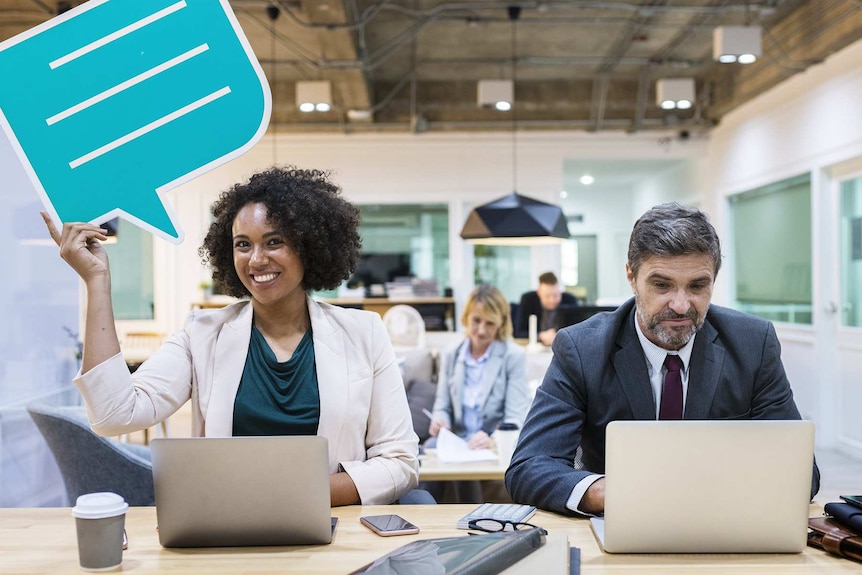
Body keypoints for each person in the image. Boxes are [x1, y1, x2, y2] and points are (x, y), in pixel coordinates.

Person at [42, 166, 419, 506]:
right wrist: (97, 280)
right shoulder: (202, 334)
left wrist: (297, 494)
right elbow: (113, 414)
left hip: (331, 526)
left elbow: (400, 462)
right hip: (230, 528)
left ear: (310, 247)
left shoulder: (363, 333)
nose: (256, 259)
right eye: (243, 244)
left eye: (274, 242)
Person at [505, 202, 820, 516]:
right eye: (662, 285)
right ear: (632, 277)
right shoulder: (581, 348)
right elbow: (529, 466)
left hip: (724, 519)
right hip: (623, 523)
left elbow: (802, 473)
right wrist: (607, 492)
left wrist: (716, 491)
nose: (682, 305)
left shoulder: (753, 344)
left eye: (698, 285)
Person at [425, 285, 529, 502]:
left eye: (489, 323)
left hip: (491, 444)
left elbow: (515, 417)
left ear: (500, 323)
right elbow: (442, 405)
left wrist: (492, 439)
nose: (481, 330)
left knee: (470, 469)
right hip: (457, 440)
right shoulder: (451, 354)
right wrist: (440, 420)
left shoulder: (513, 356)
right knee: (425, 453)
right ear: (466, 317)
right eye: (476, 321)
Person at [514, 272, 578, 345]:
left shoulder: (570, 301)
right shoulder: (528, 300)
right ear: (539, 293)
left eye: (556, 295)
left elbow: (576, 331)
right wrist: (540, 336)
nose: (552, 300)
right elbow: (519, 332)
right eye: (547, 296)